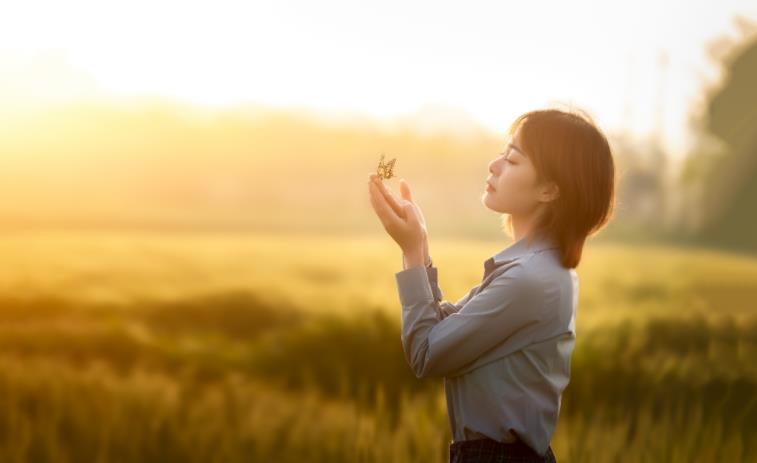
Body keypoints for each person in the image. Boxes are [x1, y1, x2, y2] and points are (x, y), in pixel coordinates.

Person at [367, 107, 616, 462]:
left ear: (549, 189)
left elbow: (426, 353)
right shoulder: (533, 270)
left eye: (512, 160)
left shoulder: (530, 280)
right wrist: (419, 248)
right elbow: (443, 328)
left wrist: (410, 252)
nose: (494, 165)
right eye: (503, 153)